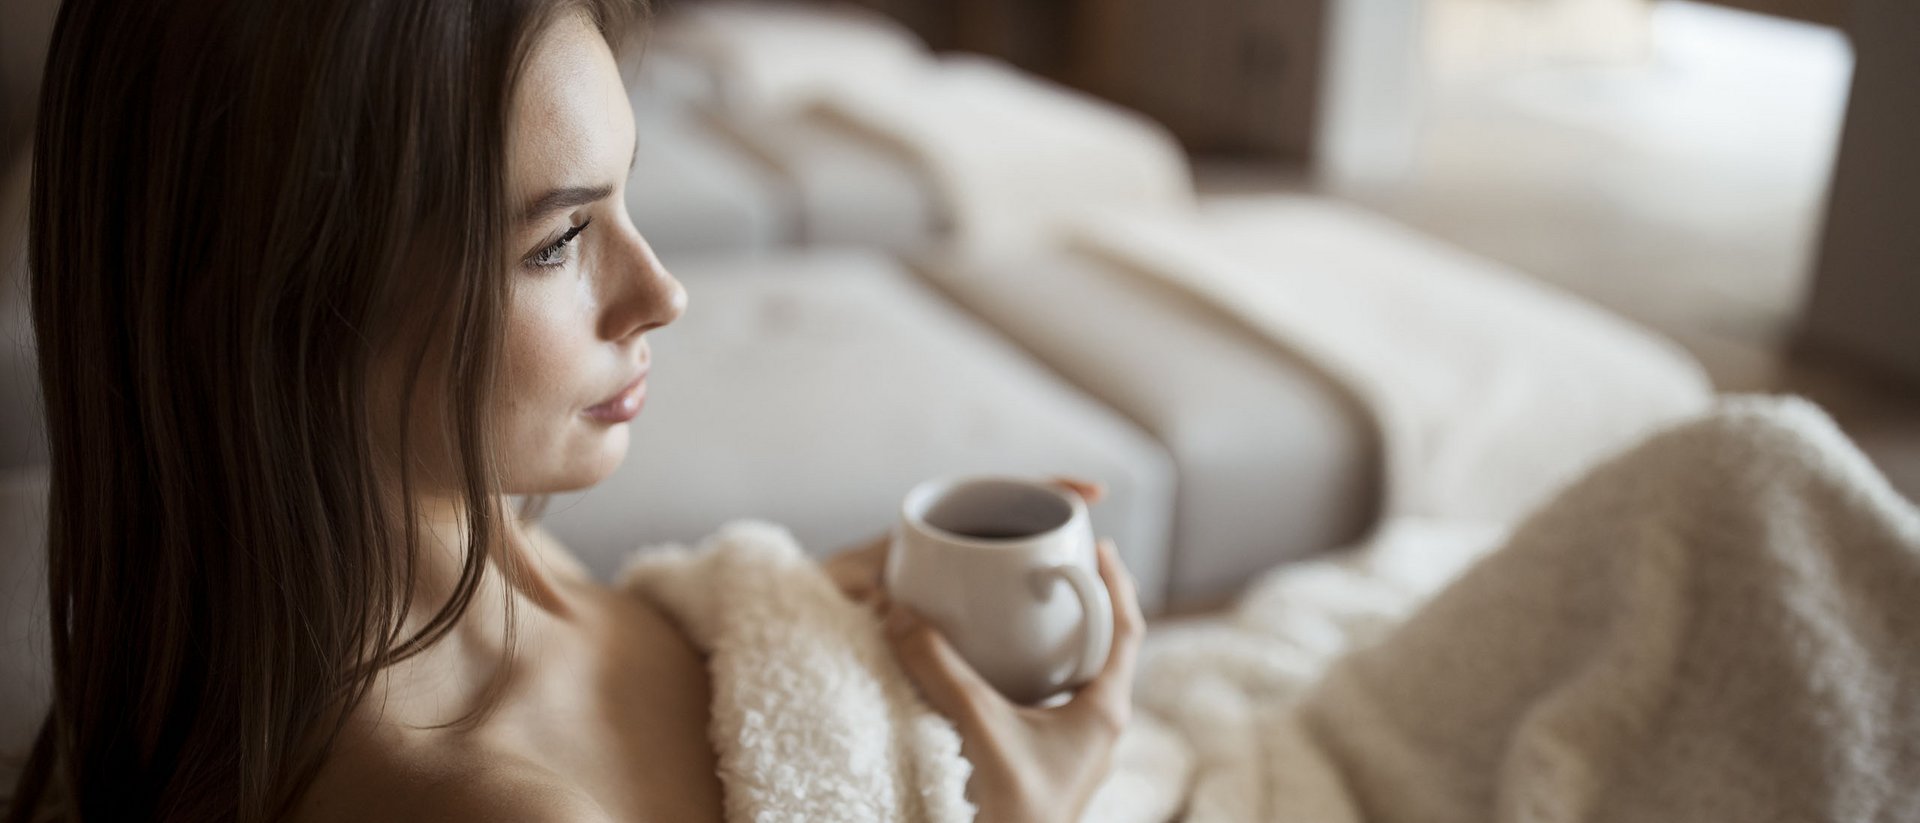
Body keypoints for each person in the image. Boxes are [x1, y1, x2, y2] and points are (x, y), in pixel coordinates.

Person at [10, 1, 1143, 821]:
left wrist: (820, 613)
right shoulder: (485, 804)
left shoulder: (467, 573)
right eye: (558, 240)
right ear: (272, 302)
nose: (663, 292)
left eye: (625, 196)